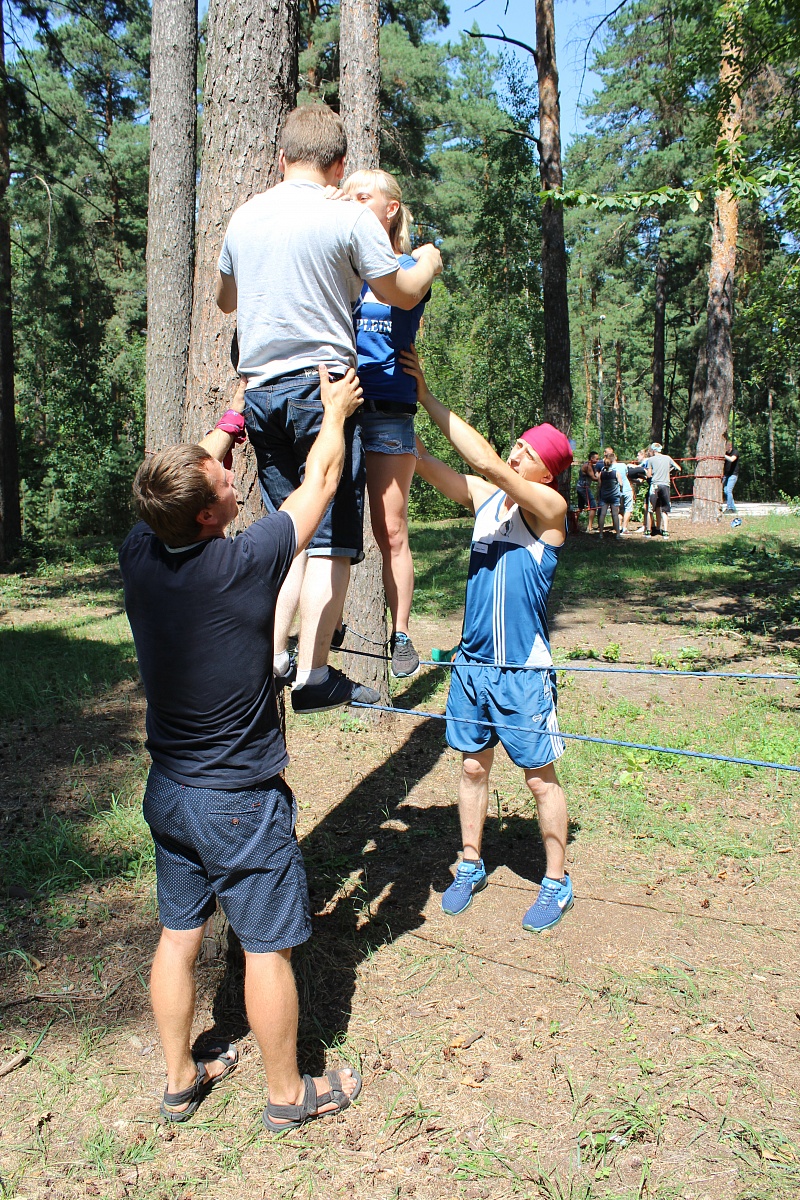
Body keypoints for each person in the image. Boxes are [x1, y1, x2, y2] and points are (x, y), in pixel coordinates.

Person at [120, 367, 365, 1131]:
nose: (231, 478)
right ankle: (291, 1095)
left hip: (170, 793)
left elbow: (177, 484)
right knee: (267, 947)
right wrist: (335, 411)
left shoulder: (140, 551)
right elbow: (321, 478)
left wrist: (228, 422)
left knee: (180, 932)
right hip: (239, 803)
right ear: (204, 518)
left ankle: (179, 1079)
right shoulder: (245, 561)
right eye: (222, 481)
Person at [216, 104, 442, 713]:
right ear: (339, 164)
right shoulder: (345, 217)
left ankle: (269, 660)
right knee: (332, 541)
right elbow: (401, 290)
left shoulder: (245, 216)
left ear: (280, 157)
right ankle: (315, 674)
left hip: (260, 393)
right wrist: (428, 260)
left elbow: (225, 299)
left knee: (288, 529)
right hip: (326, 393)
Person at [400, 347, 574, 934]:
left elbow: (494, 467)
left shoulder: (550, 508)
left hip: (523, 671)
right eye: (519, 443)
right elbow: (423, 461)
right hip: (473, 666)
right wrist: (394, 410)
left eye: (530, 451)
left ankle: (557, 880)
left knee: (538, 776)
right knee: (474, 769)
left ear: (546, 472)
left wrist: (427, 395)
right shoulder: (484, 499)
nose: (517, 451)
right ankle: (470, 862)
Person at [342, 169, 431, 678]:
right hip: (340, 404)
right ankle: (322, 622)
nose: (351, 202)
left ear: (391, 207)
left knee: (390, 529)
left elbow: (417, 283)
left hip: (390, 410)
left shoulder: (409, 266)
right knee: (323, 521)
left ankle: (400, 635)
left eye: (363, 195)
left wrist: (430, 254)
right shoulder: (340, 264)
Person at [643, 442, 680, 537]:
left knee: (650, 509)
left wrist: (645, 472)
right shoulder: (667, 458)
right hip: (665, 485)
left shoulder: (650, 460)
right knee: (664, 509)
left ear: (653, 450)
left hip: (655, 485)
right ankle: (666, 531)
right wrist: (668, 470)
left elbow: (649, 475)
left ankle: (648, 530)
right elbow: (678, 468)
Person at [608, 449, 635, 534]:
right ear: (616, 458)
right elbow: (627, 475)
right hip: (626, 489)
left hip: (616, 491)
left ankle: (618, 527)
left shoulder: (608, 468)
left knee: (618, 510)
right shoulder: (623, 465)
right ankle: (624, 528)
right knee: (628, 509)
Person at [597, 448, 622, 537]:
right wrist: (620, 491)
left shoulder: (601, 474)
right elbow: (621, 483)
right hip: (614, 496)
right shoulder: (616, 473)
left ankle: (600, 533)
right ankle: (618, 534)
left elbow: (599, 485)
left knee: (602, 514)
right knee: (615, 514)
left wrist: (598, 494)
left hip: (604, 496)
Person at [576, 451, 600, 532]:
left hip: (580, 487)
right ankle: (589, 527)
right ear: (592, 458)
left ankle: (574, 526)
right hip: (584, 488)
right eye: (597, 459)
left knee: (580, 507)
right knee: (593, 506)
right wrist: (604, 478)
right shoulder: (588, 466)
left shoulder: (591, 466)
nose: (598, 460)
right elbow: (594, 478)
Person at [722, 440, 740, 513]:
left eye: (725, 447)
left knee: (729, 490)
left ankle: (729, 508)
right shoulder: (726, 453)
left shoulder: (735, 452)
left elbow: (732, 459)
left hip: (733, 475)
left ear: (729, 446)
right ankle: (733, 508)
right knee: (726, 490)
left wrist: (723, 455)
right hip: (726, 475)